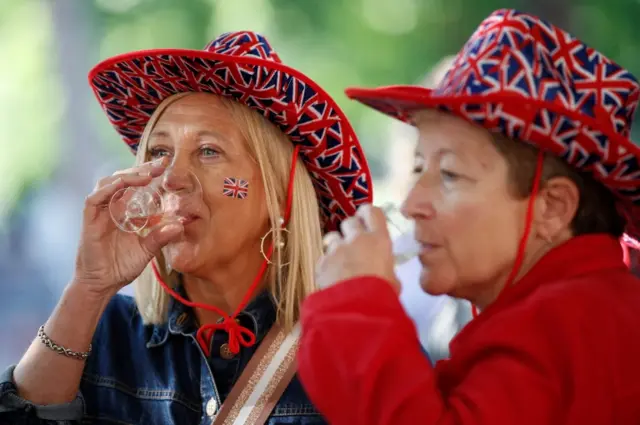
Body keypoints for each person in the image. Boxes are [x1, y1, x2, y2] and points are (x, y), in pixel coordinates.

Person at [0, 31, 372, 424]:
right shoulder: (103, 332)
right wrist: (88, 287)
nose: (172, 177)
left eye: (209, 151)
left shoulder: (355, 355)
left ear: (280, 197)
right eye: (159, 152)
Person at [296, 9, 640, 424]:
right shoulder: (583, 308)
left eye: (451, 174)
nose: (410, 205)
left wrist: (355, 302)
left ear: (552, 208)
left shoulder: (570, 323)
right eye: (419, 167)